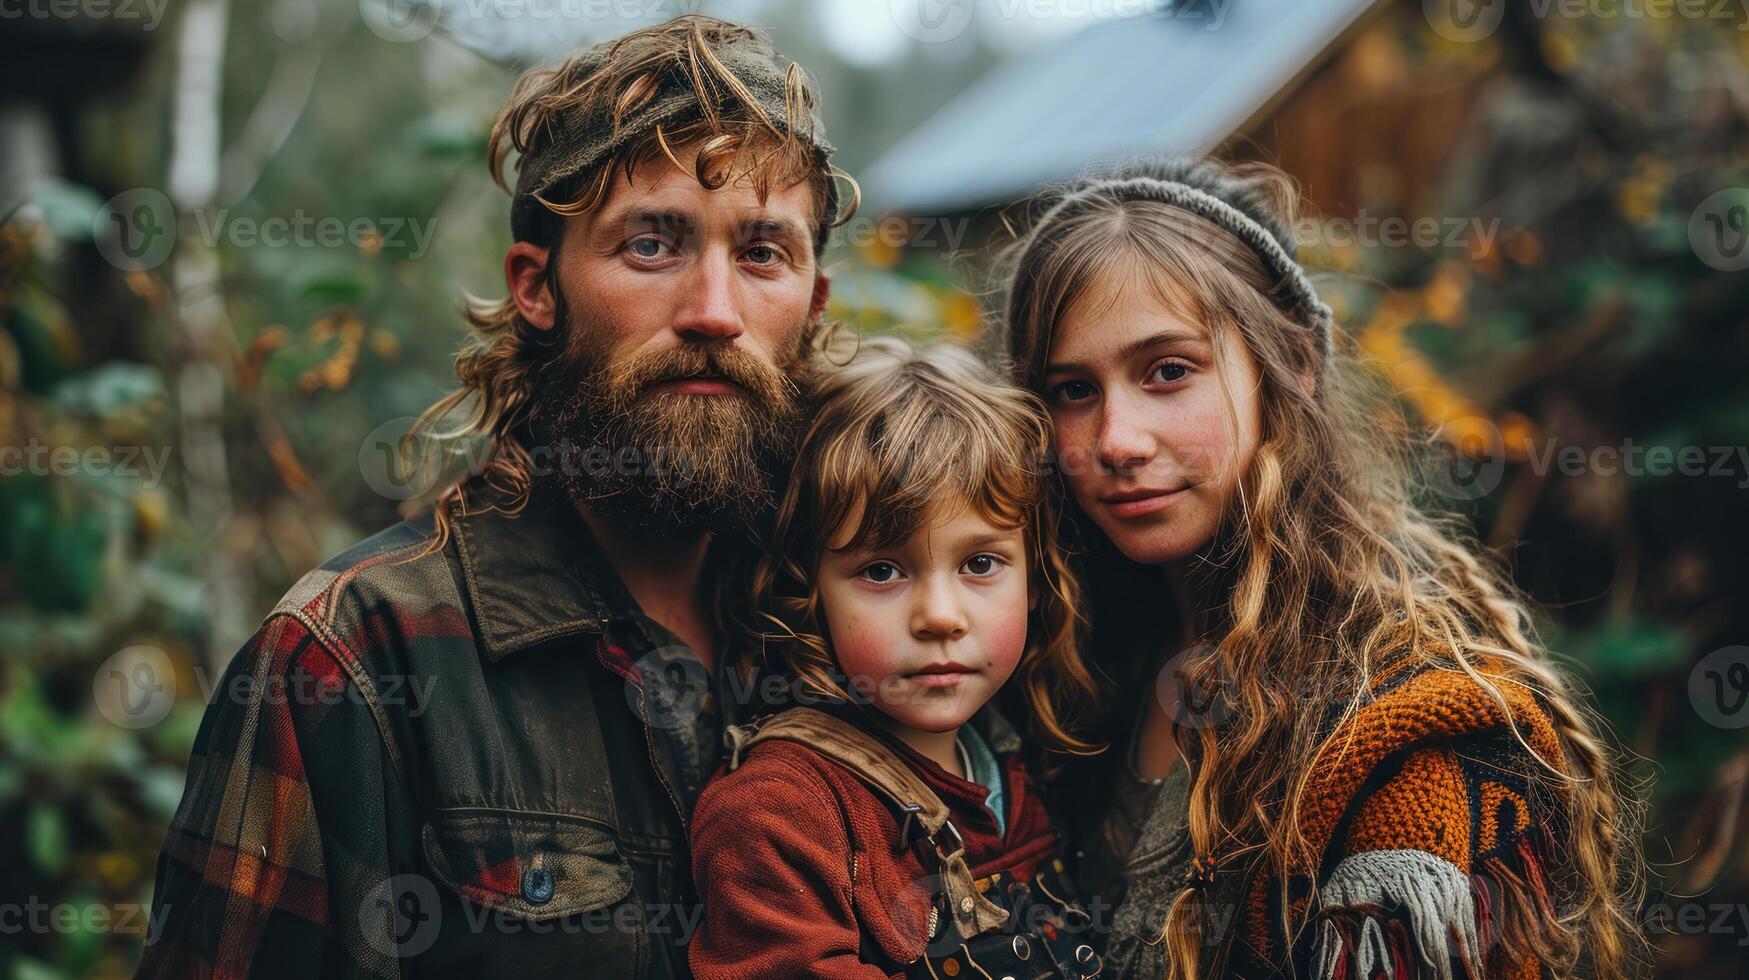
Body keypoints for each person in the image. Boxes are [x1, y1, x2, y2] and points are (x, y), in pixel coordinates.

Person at [135, 16, 854, 978]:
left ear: (810, 303)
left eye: (763, 253)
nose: (714, 312)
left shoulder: (862, 616)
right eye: (651, 244)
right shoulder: (346, 662)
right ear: (536, 286)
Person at [999, 157, 1647, 978]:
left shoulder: (1408, 736)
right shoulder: (1061, 664)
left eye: (1168, 370)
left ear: (1290, 368)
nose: (1116, 440)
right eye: (1070, 389)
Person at [687, 337, 1105, 978]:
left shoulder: (1023, 761)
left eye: (981, 564)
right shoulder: (781, 813)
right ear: (808, 590)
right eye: (882, 570)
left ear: (1034, 576)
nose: (940, 615)